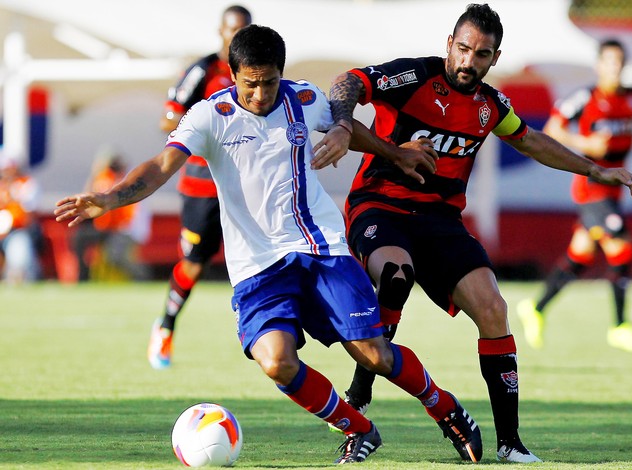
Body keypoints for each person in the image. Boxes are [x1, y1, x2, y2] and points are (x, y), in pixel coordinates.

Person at [55, 25, 486, 465]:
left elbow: (348, 128)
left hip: (321, 250)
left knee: (375, 355)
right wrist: (108, 198)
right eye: (250, 83)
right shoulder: (210, 116)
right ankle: (359, 429)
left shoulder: (302, 99)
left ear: (281, 73)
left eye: (269, 81)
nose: (261, 94)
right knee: (276, 361)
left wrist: (392, 152)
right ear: (233, 75)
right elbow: (162, 165)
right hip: (257, 266)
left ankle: (446, 408)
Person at [327, 4, 632, 463]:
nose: (468, 62)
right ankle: (359, 403)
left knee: (494, 309)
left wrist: (596, 170)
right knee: (396, 272)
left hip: (440, 220)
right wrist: (346, 126)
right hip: (380, 205)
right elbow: (349, 83)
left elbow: (532, 141)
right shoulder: (413, 77)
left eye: (481, 54)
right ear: (448, 44)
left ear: (494, 59)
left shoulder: (490, 106)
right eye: (462, 49)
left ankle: (510, 443)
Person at [517, 38, 632, 353]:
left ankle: (535, 308)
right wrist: (588, 145)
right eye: (609, 62)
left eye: (619, 63)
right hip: (591, 188)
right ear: (599, 65)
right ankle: (620, 326)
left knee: (580, 255)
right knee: (621, 243)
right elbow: (552, 129)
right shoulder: (585, 98)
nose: (615, 69)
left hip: (615, 189)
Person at [148, 5, 252, 369]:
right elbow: (168, 118)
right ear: (220, 32)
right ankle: (165, 325)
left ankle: (261, 329)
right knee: (195, 263)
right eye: (231, 30)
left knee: (261, 255)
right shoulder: (203, 70)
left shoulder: (255, 70)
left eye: (243, 30)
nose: (236, 37)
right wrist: (204, 127)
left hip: (246, 185)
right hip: (201, 186)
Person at [70, 148, 150, 281]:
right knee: (79, 238)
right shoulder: (106, 178)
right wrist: (95, 172)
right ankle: (83, 277)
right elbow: (87, 196)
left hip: (124, 229)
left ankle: (142, 276)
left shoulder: (127, 180)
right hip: (108, 228)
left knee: (116, 256)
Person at [0, 153, 43, 284]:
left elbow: (29, 214)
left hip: (17, 230)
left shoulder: (27, 184)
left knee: (19, 252)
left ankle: (22, 276)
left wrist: (13, 195)